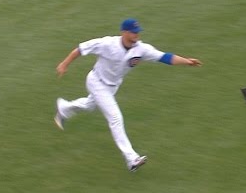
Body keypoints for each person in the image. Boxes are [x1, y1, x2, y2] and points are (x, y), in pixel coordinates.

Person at [54, 18, 203, 172]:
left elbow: (165, 57)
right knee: (115, 118)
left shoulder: (141, 49)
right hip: (96, 82)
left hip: (112, 86)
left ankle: (64, 108)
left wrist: (187, 62)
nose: (137, 35)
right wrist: (64, 64)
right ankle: (132, 159)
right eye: (133, 32)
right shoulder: (107, 44)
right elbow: (80, 49)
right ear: (124, 32)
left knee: (90, 105)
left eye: (138, 32)